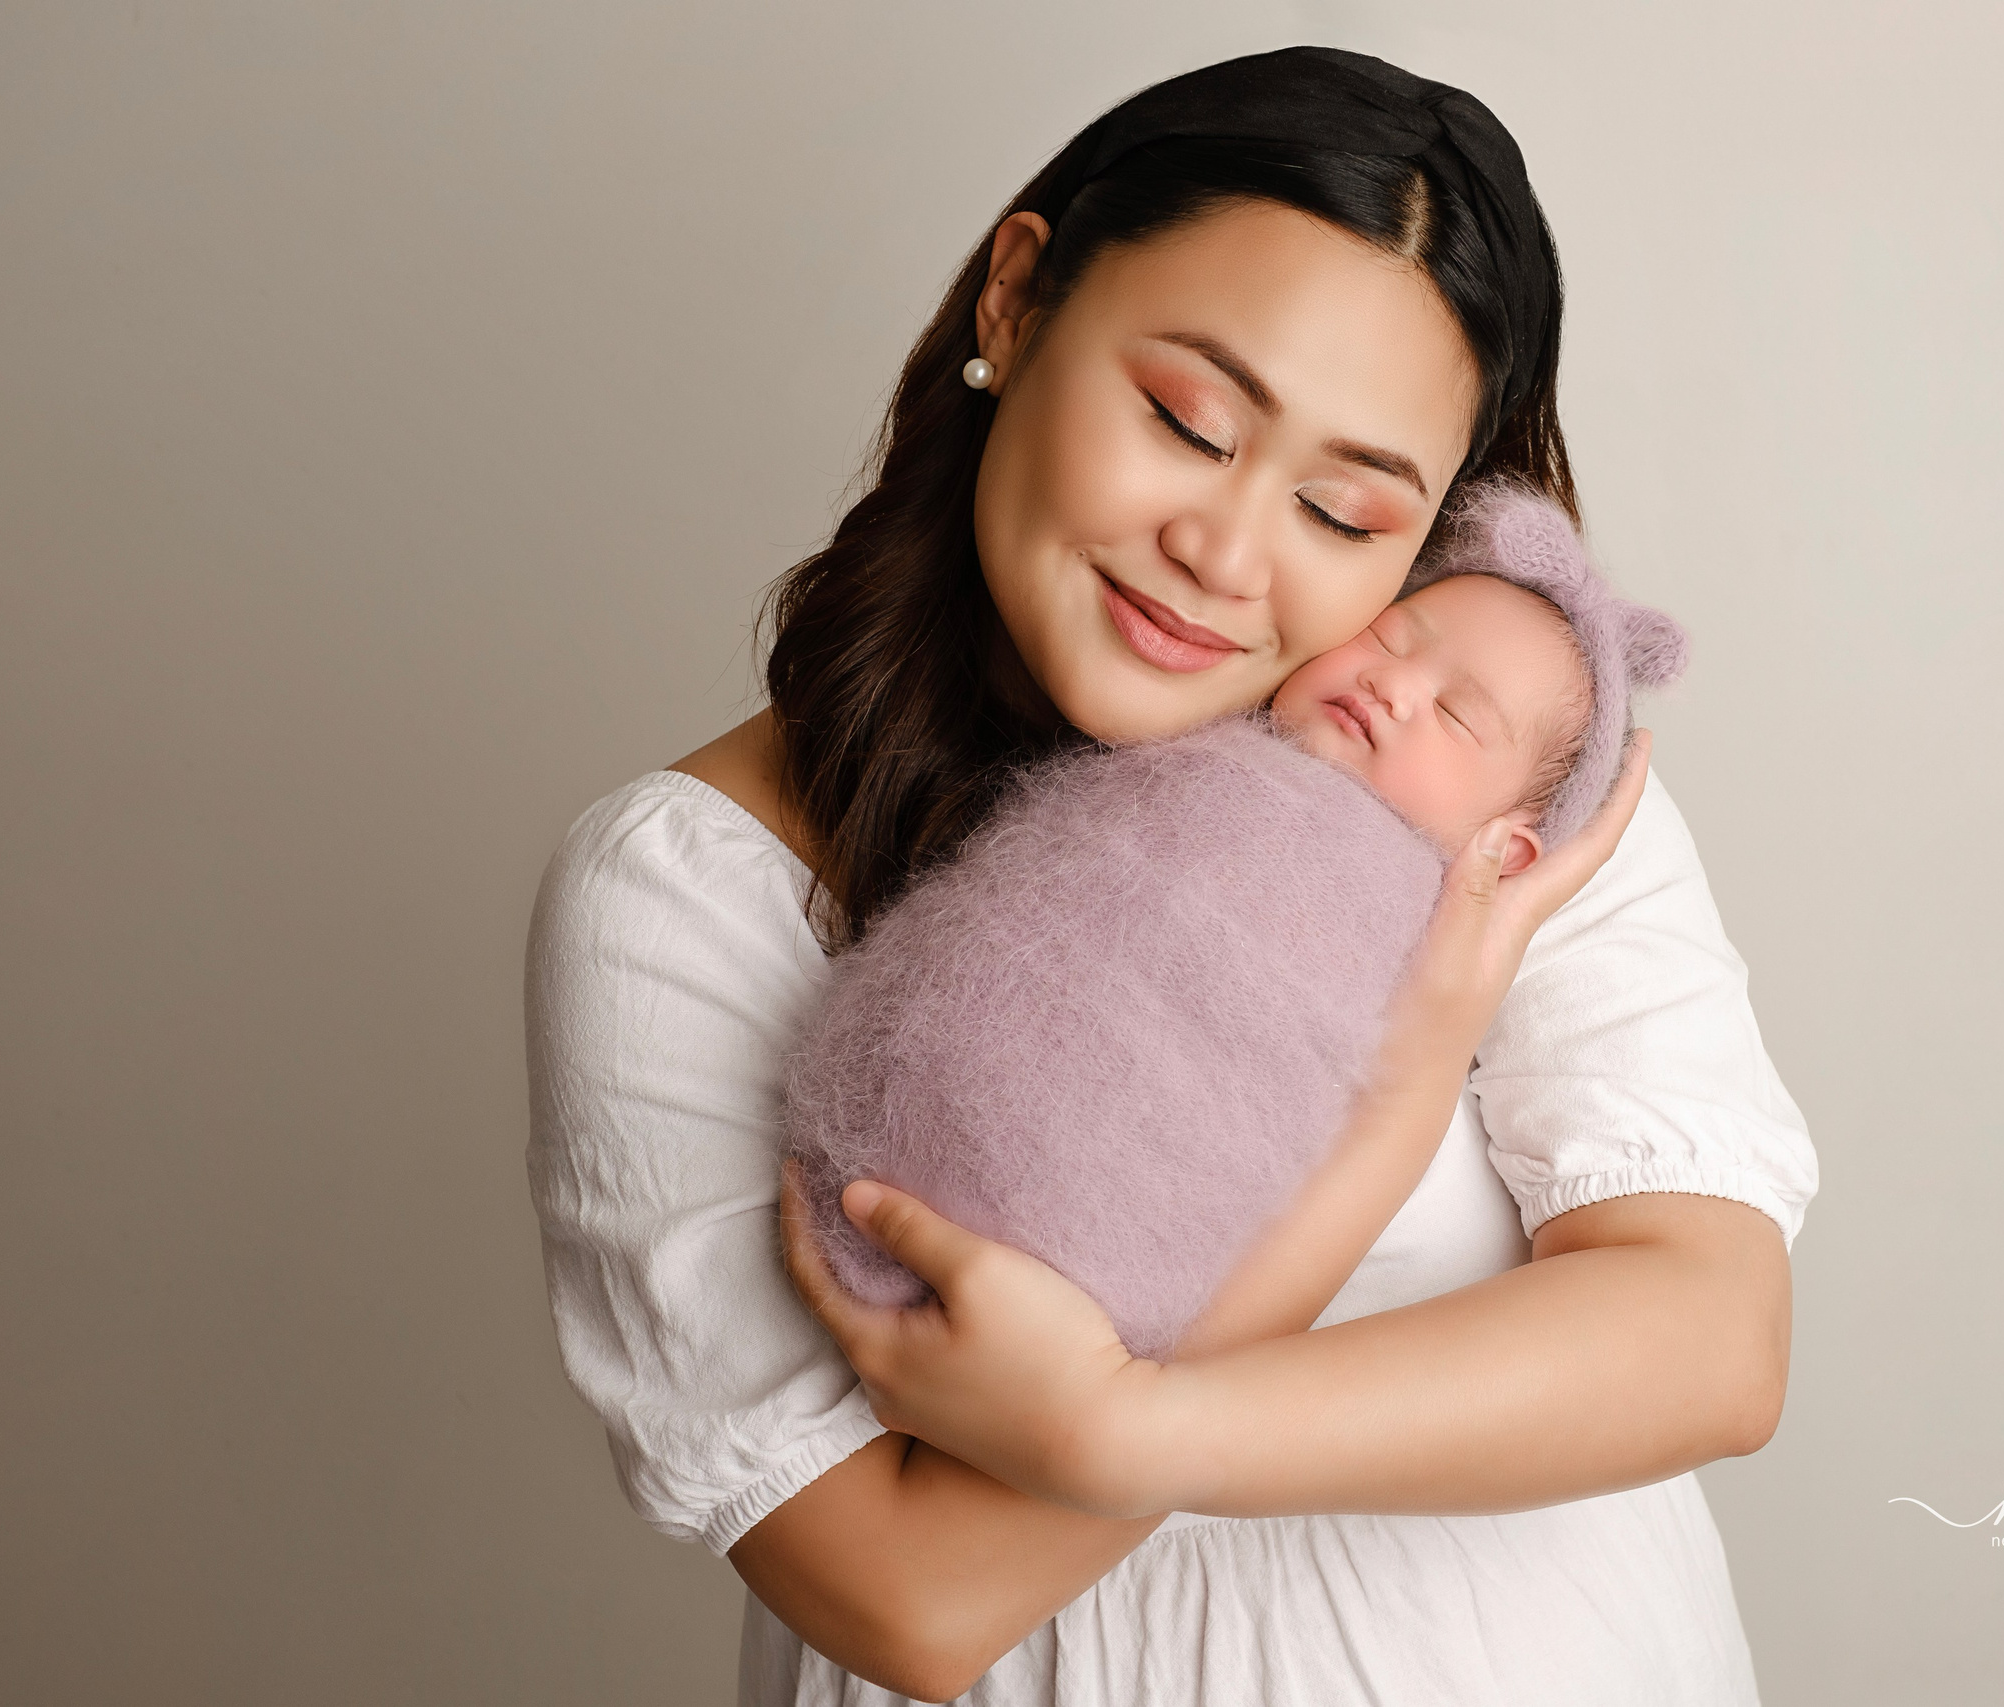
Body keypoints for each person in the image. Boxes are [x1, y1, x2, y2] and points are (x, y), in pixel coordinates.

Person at [526, 45, 1817, 1705]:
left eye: (1347, 515)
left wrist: (1124, 1420)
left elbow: (1707, 1340)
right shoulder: (691, 885)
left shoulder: (1491, 776)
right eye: (1185, 420)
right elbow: (913, 1593)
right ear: (1017, 299)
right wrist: (1398, 1097)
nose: (1225, 555)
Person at [790, 482, 1688, 1370]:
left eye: (1455, 713)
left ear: (1513, 849)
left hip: (1074, 1269)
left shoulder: (1435, 927)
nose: (1392, 683)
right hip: (892, 1115)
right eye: (1386, 637)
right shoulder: (1192, 718)